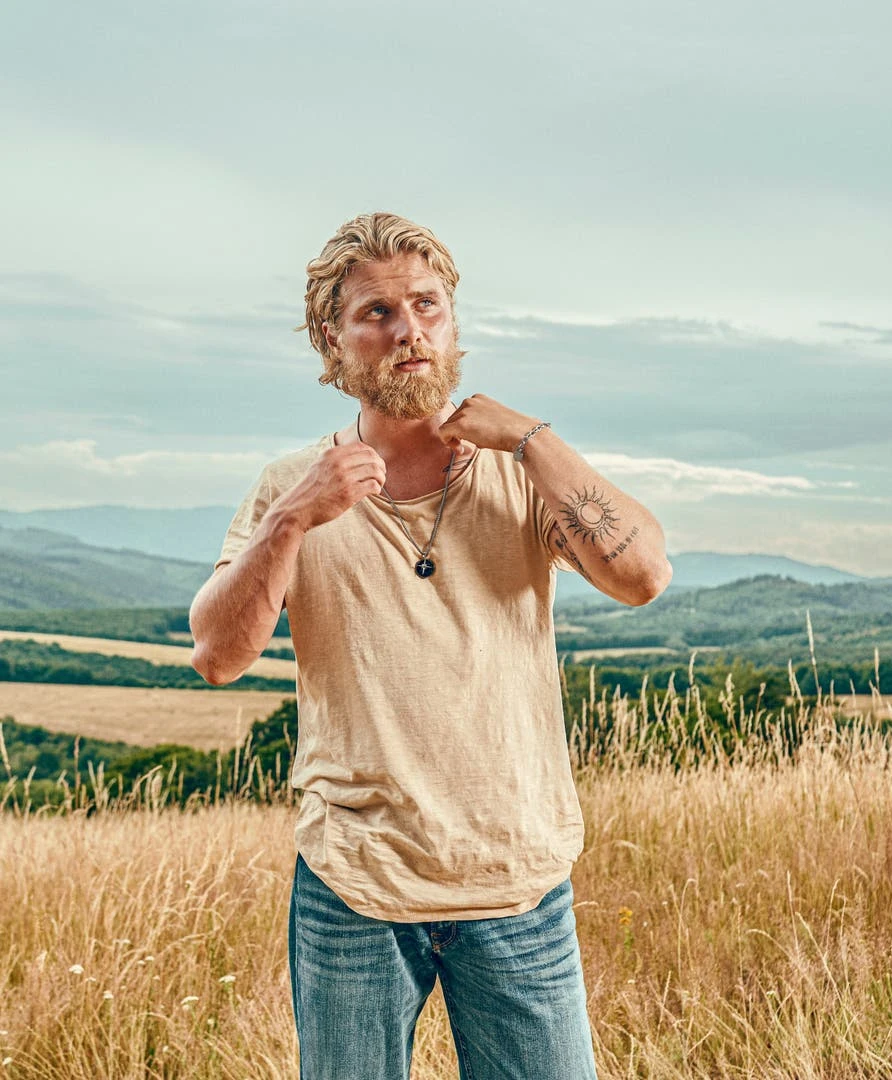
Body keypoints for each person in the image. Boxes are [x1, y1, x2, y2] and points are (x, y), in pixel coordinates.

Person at [189, 211, 672, 1079]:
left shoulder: (522, 474)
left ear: (452, 322)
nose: (407, 330)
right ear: (331, 342)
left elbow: (642, 576)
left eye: (427, 305)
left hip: (517, 879)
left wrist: (533, 439)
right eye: (376, 313)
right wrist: (296, 516)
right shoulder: (289, 487)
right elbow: (219, 655)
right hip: (354, 885)